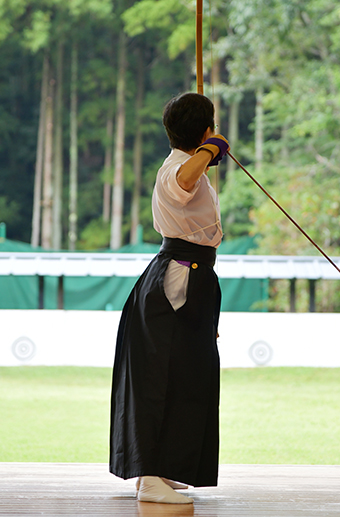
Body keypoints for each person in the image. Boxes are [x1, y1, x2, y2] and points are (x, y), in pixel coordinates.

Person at [109, 92, 229, 505]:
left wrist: (204, 150)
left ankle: (165, 468)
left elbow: (191, 177)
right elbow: (182, 184)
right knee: (164, 373)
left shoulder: (187, 164)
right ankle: (150, 474)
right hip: (178, 275)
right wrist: (209, 148)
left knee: (188, 372)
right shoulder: (176, 169)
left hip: (193, 274)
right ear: (203, 132)